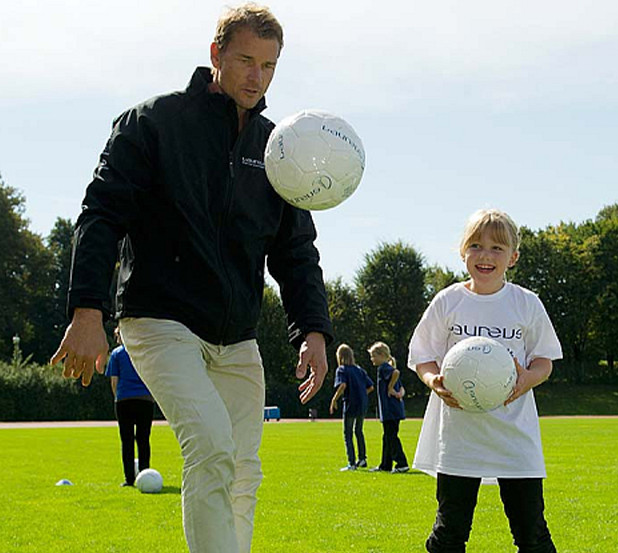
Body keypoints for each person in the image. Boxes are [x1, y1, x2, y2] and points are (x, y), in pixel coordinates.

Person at [48, 4, 333, 552]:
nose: (257, 77)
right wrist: (87, 309)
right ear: (215, 55)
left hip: (236, 335)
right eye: (246, 60)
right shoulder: (153, 123)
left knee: (245, 471)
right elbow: (101, 214)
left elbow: (296, 253)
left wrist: (312, 332)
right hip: (159, 319)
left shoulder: (278, 150)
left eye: (269, 65)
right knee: (210, 447)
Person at [408, 208, 562, 553]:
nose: (486, 256)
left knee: (532, 534)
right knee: (449, 533)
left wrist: (527, 380)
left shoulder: (526, 304)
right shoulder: (448, 301)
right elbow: (422, 355)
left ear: (513, 257)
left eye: (497, 248)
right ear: (463, 252)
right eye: (476, 246)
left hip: (514, 436)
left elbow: (544, 360)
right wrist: (434, 380)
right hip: (460, 438)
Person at [105, 325, 155, 487]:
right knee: (143, 439)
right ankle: (144, 473)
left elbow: (114, 381)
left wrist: (117, 398)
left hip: (124, 399)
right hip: (145, 399)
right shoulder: (144, 352)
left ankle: (129, 479)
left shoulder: (116, 354)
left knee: (127, 440)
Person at [330, 344, 374, 471]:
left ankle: (351, 463)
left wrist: (334, 400)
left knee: (348, 433)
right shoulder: (359, 370)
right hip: (362, 403)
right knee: (359, 431)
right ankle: (362, 459)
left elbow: (342, 385)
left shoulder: (342, 370)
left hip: (350, 403)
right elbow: (370, 386)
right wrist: (361, 394)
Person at [368, 341, 410, 473]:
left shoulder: (384, 368)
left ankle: (401, 464)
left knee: (391, 437)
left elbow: (396, 372)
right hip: (394, 409)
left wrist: (390, 388)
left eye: (373, 356)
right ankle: (385, 465)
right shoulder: (386, 368)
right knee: (387, 436)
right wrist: (399, 394)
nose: (372, 359)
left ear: (381, 355)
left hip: (390, 410)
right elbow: (402, 388)